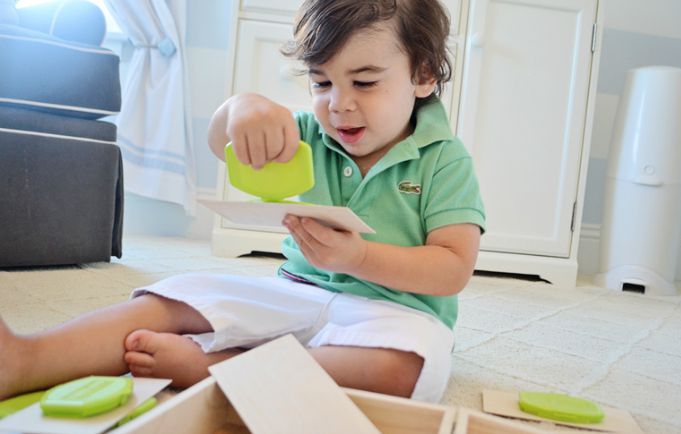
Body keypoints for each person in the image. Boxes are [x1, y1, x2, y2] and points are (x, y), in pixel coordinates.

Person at [0, 0, 484, 403]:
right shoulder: (310, 132)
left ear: (422, 75)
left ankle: (219, 371)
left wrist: (359, 257)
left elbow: (452, 268)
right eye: (321, 82)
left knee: (406, 369)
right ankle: (27, 359)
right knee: (173, 294)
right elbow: (221, 144)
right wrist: (243, 107)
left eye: (364, 82)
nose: (338, 104)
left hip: (395, 315)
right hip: (296, 292)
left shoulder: (445, 159)